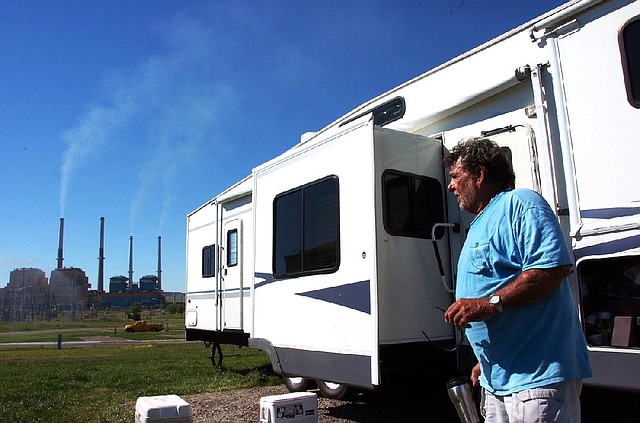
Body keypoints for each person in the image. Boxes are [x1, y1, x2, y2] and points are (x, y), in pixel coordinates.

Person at [443, 137, 591, 423]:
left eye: (455, 177)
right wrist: (484, 363)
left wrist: (488, 305)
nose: (450, 186)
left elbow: (551, 270)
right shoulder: (480, 222)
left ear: (480, 174)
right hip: (498, 378)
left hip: (537, 378)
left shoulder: (521, 203)